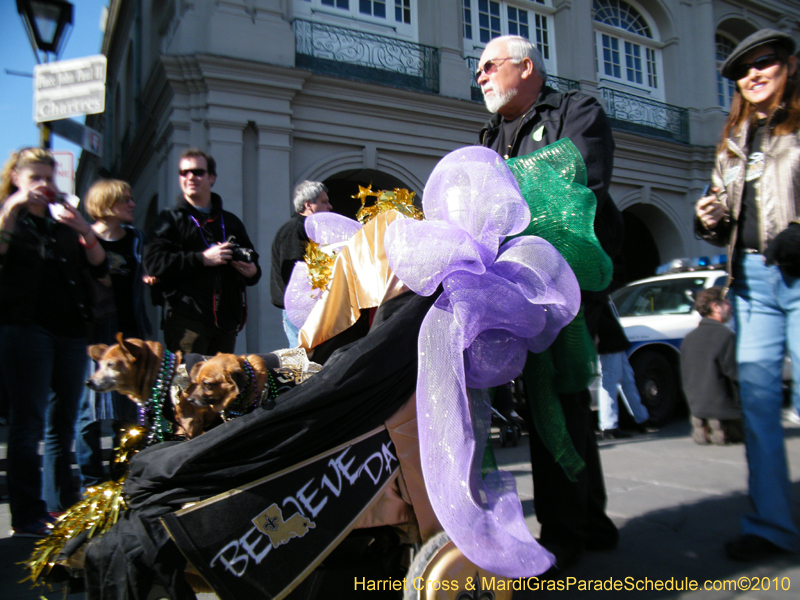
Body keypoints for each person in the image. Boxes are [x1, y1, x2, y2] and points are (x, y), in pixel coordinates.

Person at [478, 34, 624, 568]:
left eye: (490, 66)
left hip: (566, 279)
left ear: (526, 66)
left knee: (553, 396)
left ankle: (563, 534)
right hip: (518, 283)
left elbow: (579, 183)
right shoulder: (491, 135)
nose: (481, 76)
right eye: (479, 70)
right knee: (563, 399)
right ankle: (591, 522)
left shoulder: (574, 111)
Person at [696, 28, 800, 561]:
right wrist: (710, 218)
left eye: (764, 62)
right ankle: (771, 526)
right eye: (741, 69)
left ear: (788, 64)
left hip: (798, 275)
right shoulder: (735, 138)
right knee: (758, 407)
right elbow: (726, 209)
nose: (753, 74)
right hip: (753, 284)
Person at [0, 147, 107, 537]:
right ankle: (27, 514)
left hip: (71, 329)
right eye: (36, 178)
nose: (44, 185)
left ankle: (61, 504)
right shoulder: (11, 216)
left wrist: (83, 229)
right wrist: (13, 207)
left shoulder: (63, 218)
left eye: (49, 177)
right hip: (25, 327)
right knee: (28, 422)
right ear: (16, 179)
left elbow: (99, 264)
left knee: (62, 423)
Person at [75, 180, 154, 490]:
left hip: (130, 332)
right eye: (125, 200)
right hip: (94, 334)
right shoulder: (84, 239)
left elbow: (148, 268)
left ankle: (124, 477)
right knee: (88, 411)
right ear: (106, 204)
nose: (133, 204)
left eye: (133, 198)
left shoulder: (136, 239)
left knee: (130, 408)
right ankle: (92, 483)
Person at [144, 148, 261, 355]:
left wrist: (252, 272)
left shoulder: (230, 221)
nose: (190, 177)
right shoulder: (170, 219)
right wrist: (203, 259)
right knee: (188, 377)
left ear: (211, 178)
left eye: (198, 172)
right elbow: (153, 262)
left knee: (223, 377)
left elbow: (254, 265)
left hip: (225, 322)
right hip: (187, 321)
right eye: (184, 172)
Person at [270, 180, 332, 346]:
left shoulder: (309, 228)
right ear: (308, 205)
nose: (330, 206)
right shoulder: (294, 229)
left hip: (309, 307)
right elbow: (295, 273)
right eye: (324, 202)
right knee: (302, 355)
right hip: (300, 309)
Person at [679, 286, 741, 445]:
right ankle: (723, 424)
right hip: (724, 405)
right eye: (727, 303)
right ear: (716, 307)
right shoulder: (726, 336)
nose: (731, 306)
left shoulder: (689, 338)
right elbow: (733, 373)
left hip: (696, 404)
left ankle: (702, 421)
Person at [596, 299, 651, 440]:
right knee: (610, 381)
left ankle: (640, 418)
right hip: (608, 340)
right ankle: (609, 426)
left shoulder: (596, 294)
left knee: (626, 379)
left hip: (612, 339)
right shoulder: (595, 295)